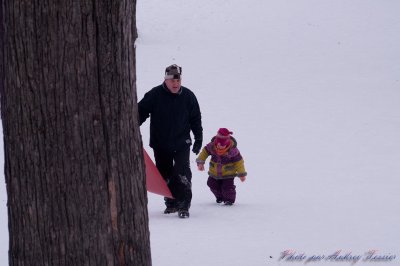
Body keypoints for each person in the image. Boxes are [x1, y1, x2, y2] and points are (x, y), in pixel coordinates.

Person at [138, 64, 203, 218]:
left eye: (178, 80)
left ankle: (184, 204)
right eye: (172, 80)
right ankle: (171, 203)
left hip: (182, 143)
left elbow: (196, 119)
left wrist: (198, 138)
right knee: (165, 174)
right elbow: (139, 113)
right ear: (165, 80)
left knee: (182, 173)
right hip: (160, 143)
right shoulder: (154, 95)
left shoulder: (188, 96)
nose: (175, 84)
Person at [196, 128, 247, 205]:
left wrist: (242, 174)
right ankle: (220, 197)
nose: (220, 147)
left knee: (227, 188)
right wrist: (201, 162)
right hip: (214, 173)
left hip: (228, 174)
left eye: (222, 146)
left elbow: (239, 162)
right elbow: (204, 153)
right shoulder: (212, 146)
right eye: (218, 146)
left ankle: (229, 200)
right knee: (211, 184)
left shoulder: (232, 150)